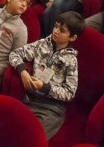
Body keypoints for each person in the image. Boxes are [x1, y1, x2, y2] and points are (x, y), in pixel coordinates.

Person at [8, 10, 84, 140]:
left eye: (62, 30)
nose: (55, 31)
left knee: (32, 137)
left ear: (72, 37)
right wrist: (23, 71)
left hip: (51, 108)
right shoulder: (43, 44)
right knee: (10, 128)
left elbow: (70, 93)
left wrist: (45, 87)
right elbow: (15, 54)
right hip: (30, 98)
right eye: (55, 26)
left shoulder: (71, 61)